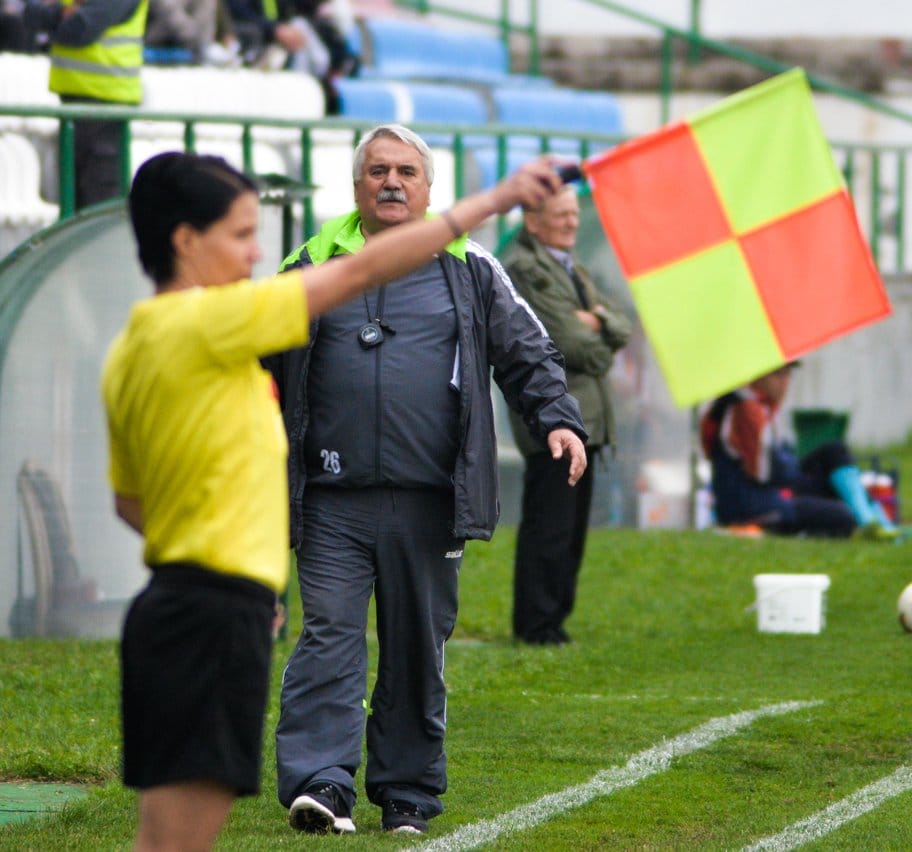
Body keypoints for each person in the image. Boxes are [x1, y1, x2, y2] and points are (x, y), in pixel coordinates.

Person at [100, 149, 565, 850]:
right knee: (178, 838)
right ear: (185, 242)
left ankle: (399, 789)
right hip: (212, 604)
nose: (257, 251)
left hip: (181, 598)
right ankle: (323, 779)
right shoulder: (209, 323)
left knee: (166, 838)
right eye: (239, 233)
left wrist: (226, 569)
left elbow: (130, 503)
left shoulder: (134, 344)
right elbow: (357, 270)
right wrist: (489, 201)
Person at [266, 124, 589, 836]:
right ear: (355, 185)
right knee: (328, 636)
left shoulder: (472, 266)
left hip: (430, 499)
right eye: (377, 169)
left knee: (417, 647)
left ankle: (407, 793)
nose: (390, 182)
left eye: (406, 171)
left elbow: (527, 352)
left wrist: (557, 419)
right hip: (329, 501)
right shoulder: (310, 264)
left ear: (428, 187)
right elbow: (261, 371)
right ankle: (321, 783)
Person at [503, 183, 632, 646]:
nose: (571, 222)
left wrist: (600, 323)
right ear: (532, 221)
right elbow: (569, 344)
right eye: (560, 214)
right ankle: (536, 625)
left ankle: (553, 621)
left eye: (574, 213)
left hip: (587, 419)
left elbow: (622, 323)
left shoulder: (569, 265)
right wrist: (598, 331)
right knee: (550, 525)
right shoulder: (525, 269)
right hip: (552, 421)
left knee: (572, 528)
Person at [699, 363, 898, 540]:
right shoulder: (747, 409)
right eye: (777, 375)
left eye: (788, 374)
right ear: (758, 377)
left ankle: (872, 522)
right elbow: (763, 472)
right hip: (753, 506)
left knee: (833, 452)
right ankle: (868, 523)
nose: (785, 382)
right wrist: (787, 463)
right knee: (841, 515)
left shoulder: (762, 406)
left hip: (770, 493)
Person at [25, 0, 147, 209]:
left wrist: (56, 16)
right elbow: (30, 13)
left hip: (107, 105)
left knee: (99, 202)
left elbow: (80, 29)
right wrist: (63, 13)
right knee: (71, 201)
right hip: (72, 103)